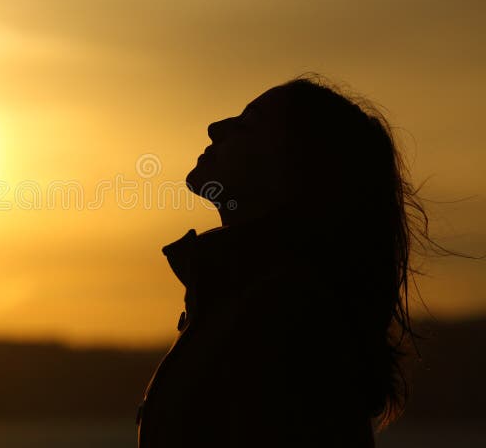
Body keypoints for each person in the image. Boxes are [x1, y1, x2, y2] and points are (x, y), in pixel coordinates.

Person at [136, 76, 429, 447]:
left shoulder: (284, 314)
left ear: (292, 165)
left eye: (248, 124)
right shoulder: (245, 298)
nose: (216, 128)